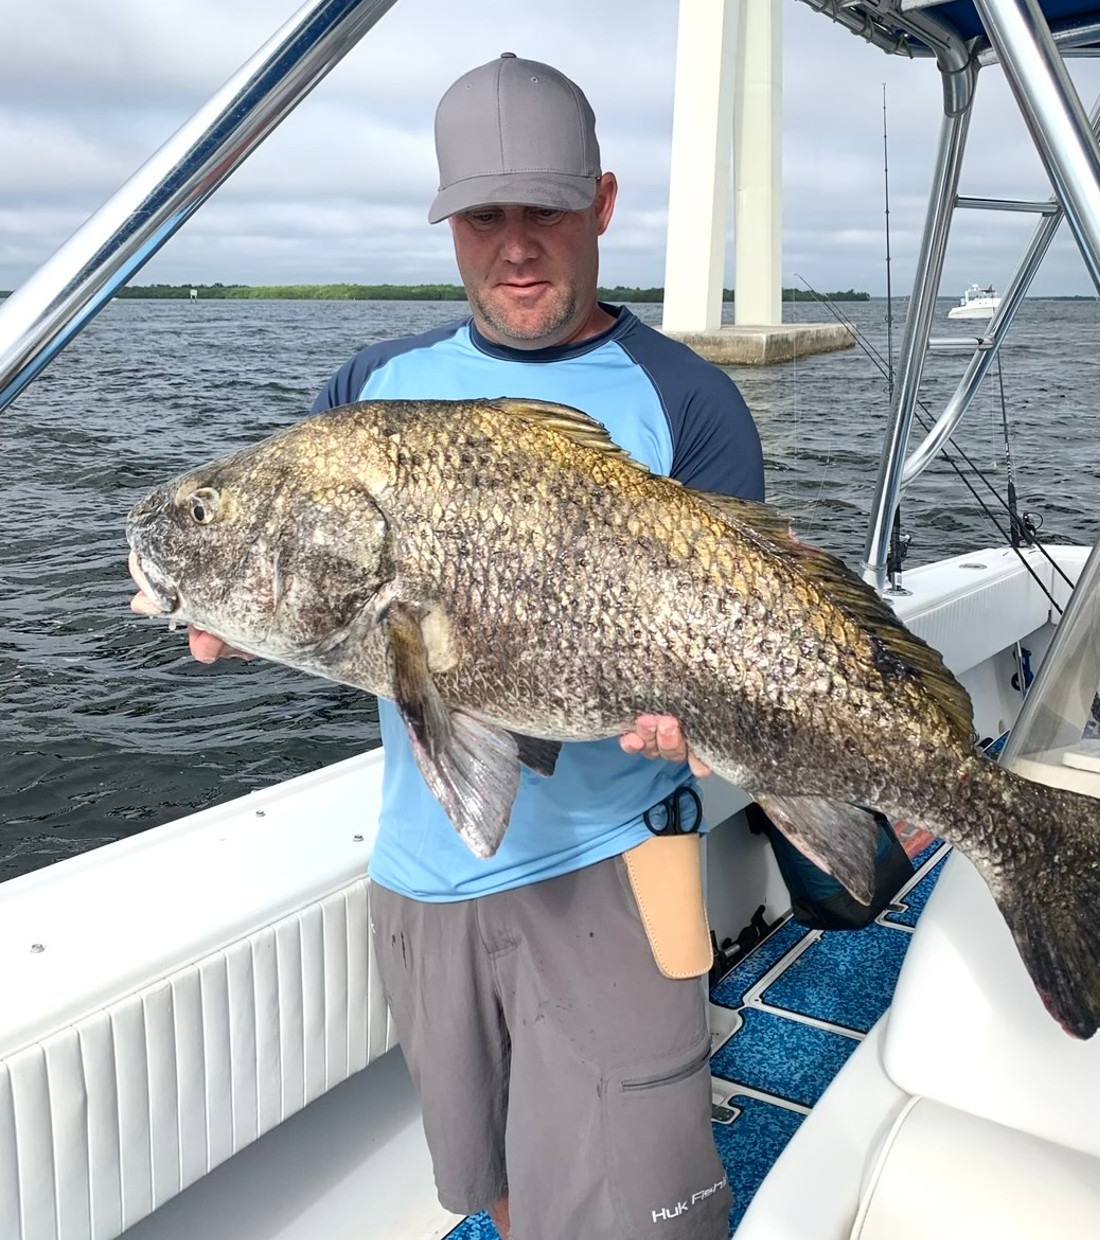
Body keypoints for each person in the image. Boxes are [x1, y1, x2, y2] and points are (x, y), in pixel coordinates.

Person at [187, 54, 764, 1240]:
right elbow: (341, 601)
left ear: (600, 205)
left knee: (643, 1216)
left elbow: (745, 627)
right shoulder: (369, 389)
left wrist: (709, 721)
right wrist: (247, 611)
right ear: (449, 223)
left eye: (544, 212)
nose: (515, 246)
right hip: (424, 870)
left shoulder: (687, 400)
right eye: (484, 215)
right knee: (486, 1185)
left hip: (615, 863)